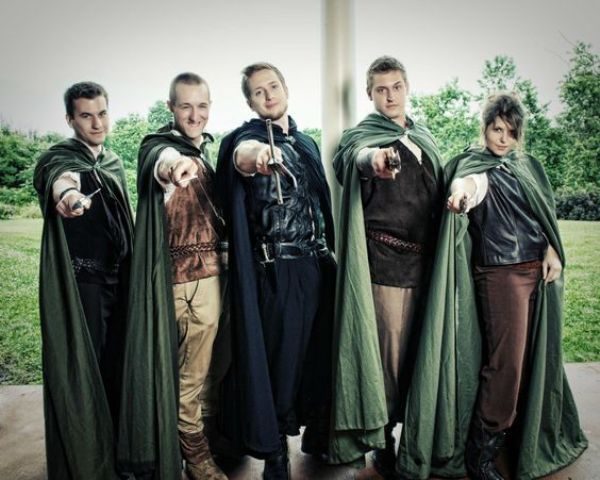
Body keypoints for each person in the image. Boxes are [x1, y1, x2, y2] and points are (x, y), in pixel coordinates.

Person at [397, 92, 587, 480]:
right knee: (506, 365)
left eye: (511, 132)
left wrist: (553, 249)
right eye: (497, 129)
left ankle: (515, 438)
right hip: (501, 275)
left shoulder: (527, 166)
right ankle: (481, 451)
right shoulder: (476, 166)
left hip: (538, 272)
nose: (503, 138)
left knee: (532, 359)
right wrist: (460, 195)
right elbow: (469, 185)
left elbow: (544, 214)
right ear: (484, 128)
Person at [215, 62, 336, 480]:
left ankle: (316, 433)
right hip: (276, 269)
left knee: (316, 354)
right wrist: (262, 158)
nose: (268, 95)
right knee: (279, 362)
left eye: (273, 86)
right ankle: (276, 452)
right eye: (258, 92)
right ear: (250, 102)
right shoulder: (245, 139)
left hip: (315, 263)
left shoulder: (306, 143)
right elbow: (243, 157)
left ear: (285, 88)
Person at [329, 56, 444, 478]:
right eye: (381, 89)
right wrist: (373, 161)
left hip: (426, 264)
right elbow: (352, 158)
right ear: (370, 94)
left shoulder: (423, 136)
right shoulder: (362, 137)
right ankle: (384, 439)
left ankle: (417, 436)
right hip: (385, 263)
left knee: (419, 353)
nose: (390, 95)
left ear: (406, 87)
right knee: (390, 359)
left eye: (396, 87)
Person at [117, 73, 227, 480]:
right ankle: (195, 457)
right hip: (186, 283)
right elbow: (162, 163)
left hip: (212, 278)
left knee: (206, 373)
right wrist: (174, 167)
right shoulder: (161, 146)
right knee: (190, 377)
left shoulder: (206, 153)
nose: (195, 115)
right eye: (185, 106)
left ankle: (198, 443)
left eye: (202, 106)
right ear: (171, 108)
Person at [33, 81, 133, 479]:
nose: (97, 123)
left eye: (102, 113)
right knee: (86, 370)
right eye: (86, 116)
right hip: (85, 283)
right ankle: (88, 461)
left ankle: (116, 454)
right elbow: (61, 178)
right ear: (70, 119)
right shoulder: (59, 157)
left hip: (118, 279)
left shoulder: (113, 162)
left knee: (116, 367)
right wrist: (69, 197)